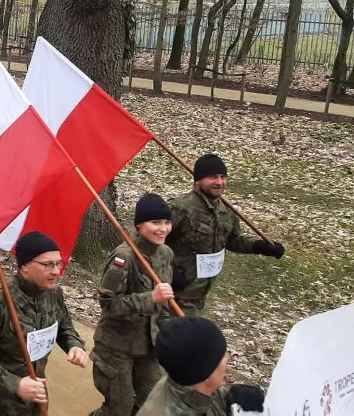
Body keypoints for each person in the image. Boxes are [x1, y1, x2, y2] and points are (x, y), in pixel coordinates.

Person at [0, 232, 89, 415]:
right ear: (25, 266)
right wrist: (16, 384)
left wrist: (74, 345)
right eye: (48, 264)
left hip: (36, 393)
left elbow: (64, 326)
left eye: (58, 263)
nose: (56, 271)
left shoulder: (53, 293)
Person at [167, 154, 285, 315]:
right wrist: (168, 273)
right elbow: (149, 241)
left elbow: (232, 240)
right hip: (174, 296)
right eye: (212, 177)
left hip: (198, 294)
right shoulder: (181, 208)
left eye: (223, 177)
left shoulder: (226, 210)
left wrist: (260, 246)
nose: (219, 182)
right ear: (198, 180)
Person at [91, 193, 176, 416]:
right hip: (115, 347)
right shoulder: (123, 258)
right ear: (139, 225)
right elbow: (108, 305)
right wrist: (150, 298)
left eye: (167, 222)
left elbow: (164, 305)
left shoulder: (165, 254)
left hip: (148, 348)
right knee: (119, 407)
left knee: (153, 405)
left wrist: (169, 332)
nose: (163, 229)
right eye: (155, 222)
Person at [138, 316, 266, 415]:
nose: (227, 358)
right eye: (222, 356)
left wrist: (230, 397)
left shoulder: (181, 380)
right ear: (206, 373)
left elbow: (201, 395)